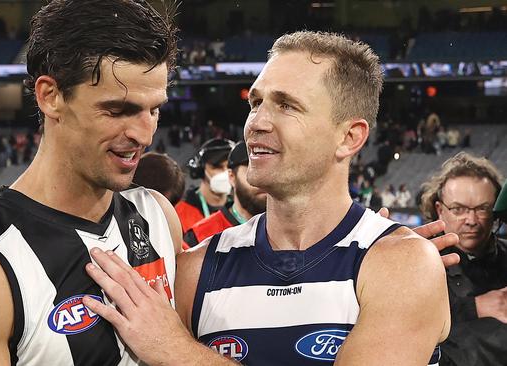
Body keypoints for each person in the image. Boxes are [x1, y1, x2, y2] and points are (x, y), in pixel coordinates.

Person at [83, 31, 452, 366]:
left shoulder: (404, 264)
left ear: (349, 138)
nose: (256, 123)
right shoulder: (196, 270)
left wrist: (176, 350)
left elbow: (170, 349)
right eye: (255, 102)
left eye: (287, 105)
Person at [0, 1, 183, 365]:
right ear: (50, 96)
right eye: (118, 110)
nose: (143, 134)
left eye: (153, 110)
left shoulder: (157, 217)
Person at [420, 152, 507, 366]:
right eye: (458, 209)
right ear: (440, 210)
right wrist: (472, 307)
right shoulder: (417, 261)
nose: (471, 220)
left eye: (482, 209)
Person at [183, 141, 266, 247]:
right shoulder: (200, 236)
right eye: (251, 170)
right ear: (231, 177)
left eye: (266, 172)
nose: (261, 180)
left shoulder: (288, 229)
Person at [175, 138, 235, 233]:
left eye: (229, 167)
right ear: (201, 169)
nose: (225, 173)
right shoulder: (180, 212)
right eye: (217, 167)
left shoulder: (242, 209)